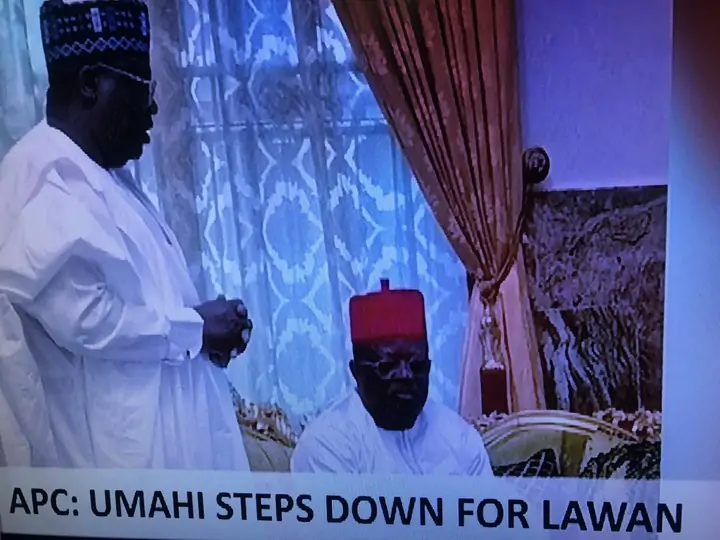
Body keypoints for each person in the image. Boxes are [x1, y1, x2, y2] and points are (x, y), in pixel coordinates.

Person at [0, 0, 252, 470]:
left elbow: (144, 309)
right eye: (142, 86)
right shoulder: (46, 180)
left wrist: (203, 331)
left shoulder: (99, 174)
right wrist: (197, 329)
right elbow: (91, 321)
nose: (153, 106)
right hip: (114, 483)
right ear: (91, 84)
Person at [291, 279, 495, 476]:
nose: (406, 376)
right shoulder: (326, 444)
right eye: (388, 366)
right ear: (356, 371)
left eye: (416, 365)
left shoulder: (460, 437)